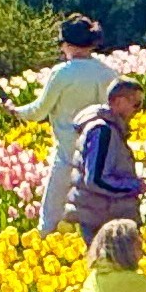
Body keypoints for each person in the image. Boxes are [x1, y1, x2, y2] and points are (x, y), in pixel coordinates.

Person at [29, 16, 116, 236]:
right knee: (98, 213)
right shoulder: (107, 73)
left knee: (52, 212)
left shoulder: (62, 73)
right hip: (100, 151)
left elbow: (38, 111)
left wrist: (13, 110)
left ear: (67, 44)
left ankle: (46, 241)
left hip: (68, 152)